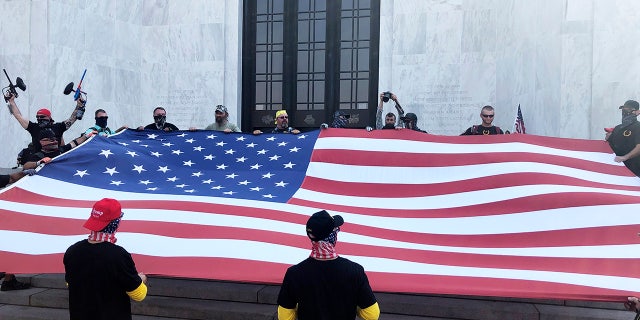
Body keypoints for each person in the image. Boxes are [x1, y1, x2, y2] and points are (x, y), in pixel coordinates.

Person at [277, 210, 380, 320]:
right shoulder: (355, 271)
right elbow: (372, 315)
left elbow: (284, 316)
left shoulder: (294, 274)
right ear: (333, 236)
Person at [64, 198, 148, 320]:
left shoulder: (72, 251)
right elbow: (139, 295)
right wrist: (141, 279)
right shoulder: (119, 255)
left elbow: (70, 283)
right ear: (115, 224)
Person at [6, 91, 83, 155]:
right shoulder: (34, 127)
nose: (39, 119)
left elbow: (72, 118)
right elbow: (18, 116)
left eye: (42, 117)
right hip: (39, 160)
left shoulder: (58, 127)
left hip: (56, 158)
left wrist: (79, 105)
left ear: (49, 117)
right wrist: (11, 101)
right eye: (37, 117)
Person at [606, 100, 640, 177]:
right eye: (624, 109)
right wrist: (608, 138)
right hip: (618, 171)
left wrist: (625, 157)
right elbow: (611, 147)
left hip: (635, 170)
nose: (625, 112)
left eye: (628, 110)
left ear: (637, 112)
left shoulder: (638, 127)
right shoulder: (617, 128)